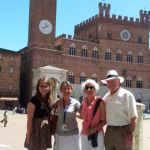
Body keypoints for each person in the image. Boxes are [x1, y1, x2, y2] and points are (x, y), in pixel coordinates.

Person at [101, 70, 138, 150]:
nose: (110, 84)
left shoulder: (127, 95)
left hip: (123, 131)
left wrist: (130, 134)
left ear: (118, 81)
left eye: (113, 81)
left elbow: (133, 118)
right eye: (108, 82)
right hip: (109, 131)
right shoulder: (106, 97)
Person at [25, 77, 56, 150]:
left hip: (45, 130)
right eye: (41, 86)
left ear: (49, 87)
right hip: (36, 130)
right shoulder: (33, 100)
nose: (43, 88)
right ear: (38, 87)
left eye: (46, 86)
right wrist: (28, 136)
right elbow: (29, 120)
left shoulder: (49, 101)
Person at [53, 81, 81, 150]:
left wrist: (76, 115)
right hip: (59, 134)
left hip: (72, 134)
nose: (66, 90)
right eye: (64, 89)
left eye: (68, 89)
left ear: (71, 90)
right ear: (61, 90)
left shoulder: (76, 103)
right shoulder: (57, 102)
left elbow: (84, 116)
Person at [80, 79, 106, 150]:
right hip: (84, 134)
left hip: (96, 135)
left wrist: (93, 130)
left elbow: (105, 121)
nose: (89, 89)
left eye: (91, 87)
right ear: (84, 90)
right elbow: (84, 116)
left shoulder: (100, 102)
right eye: (86, 87)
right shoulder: (84, 101)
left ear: (95, 89)